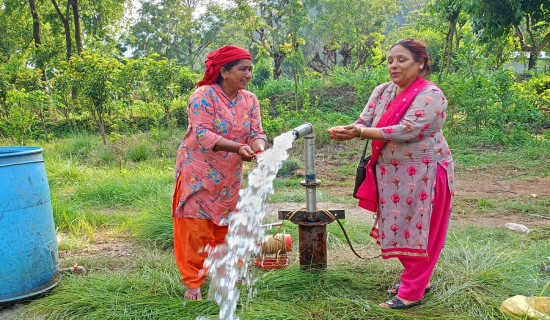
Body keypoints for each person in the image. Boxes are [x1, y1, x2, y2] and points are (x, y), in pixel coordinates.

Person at [328, 38, 454, 309]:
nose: (393, 66)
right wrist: (349, 129)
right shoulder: (383, 91)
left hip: (424, 173)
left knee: (418, 229)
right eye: (390, 60)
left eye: (402, 60)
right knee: (397, 227)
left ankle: (411, 292)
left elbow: (408, 130)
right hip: (390, 174)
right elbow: (365, 121)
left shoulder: (431, 94)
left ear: (420, 64)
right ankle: (420, 279)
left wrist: (360, 132)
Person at [172, 45, 267, 301]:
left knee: (226, 225)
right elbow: (202, 134)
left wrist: (259, 147)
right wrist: (240, 147)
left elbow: (256, 132)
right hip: (198, 173)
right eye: (242, 69)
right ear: (224, 71)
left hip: (229, 175)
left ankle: (224, 272)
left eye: (250, 69)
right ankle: (193, 283)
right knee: (196, 229)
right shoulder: (203, 95)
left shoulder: (249, 99)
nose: (248, 74)